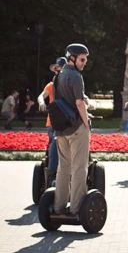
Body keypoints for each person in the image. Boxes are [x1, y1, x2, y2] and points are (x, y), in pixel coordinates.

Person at [53, 43, 92, 217]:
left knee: (63, 168)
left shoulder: (59, 76)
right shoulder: (76, 76)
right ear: (72, 58)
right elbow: (79, 103)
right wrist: (86, 123)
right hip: (76, 127)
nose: (84, 63)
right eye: (82, 59)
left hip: (61, 129)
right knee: (79, 168)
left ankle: (58, 207)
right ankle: (76, 208)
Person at [38, 57, 68, 184]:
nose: (58, 72)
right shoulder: (51, 86)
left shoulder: (69, 84)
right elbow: (42, 95)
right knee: (54, 144)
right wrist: (41, 102)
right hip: (53, 122)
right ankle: (52, 173)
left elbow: (81, 97)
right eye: (57, 70)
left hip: (67, 121)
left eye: (60, 69)